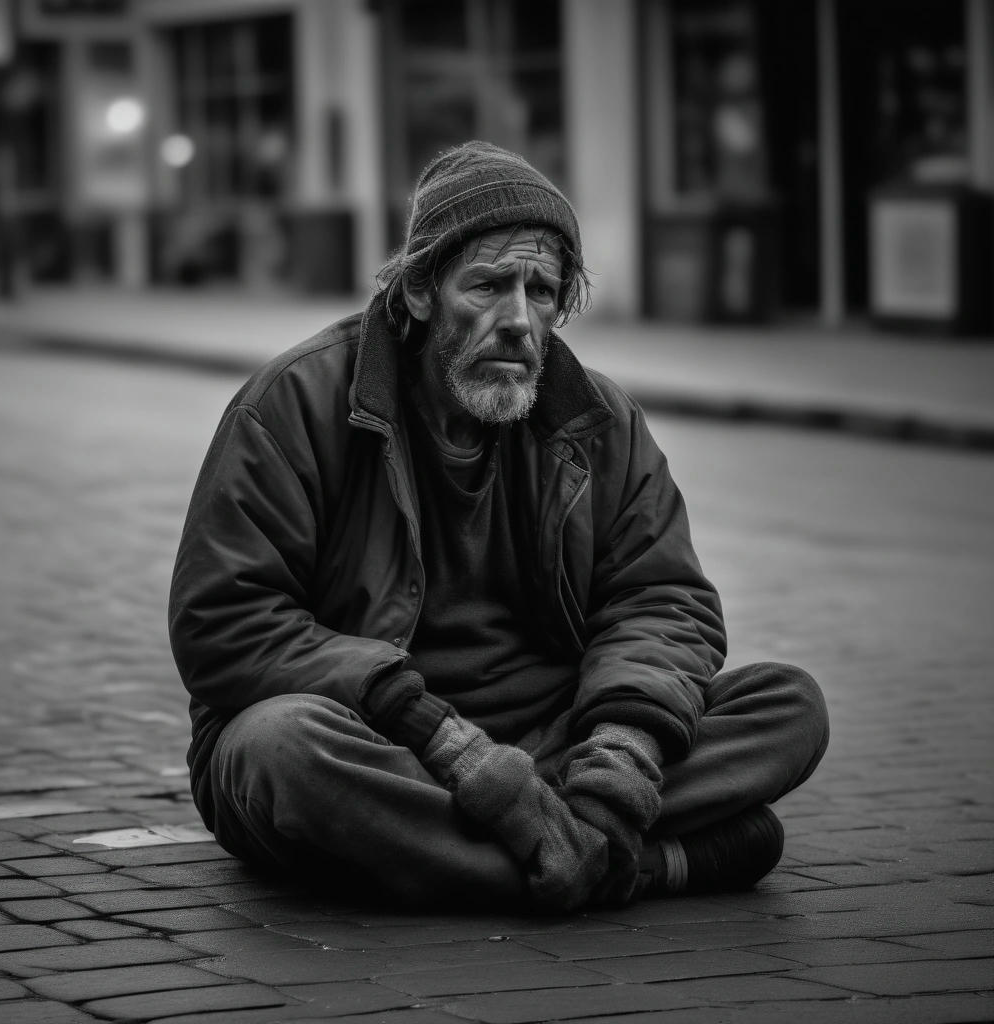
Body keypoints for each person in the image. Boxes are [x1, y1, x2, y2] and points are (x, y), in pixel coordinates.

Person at [169, 141, 828, 912]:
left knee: (790, 704)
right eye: (487, 284)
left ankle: (557, 836)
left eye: (541, 290)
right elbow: (226, 622)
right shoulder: (293, 404)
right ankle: (630, 867)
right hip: (384, 744)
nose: (519, 320)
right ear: (418, 291)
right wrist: (442, 737)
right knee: (278, 750)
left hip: (553, 744)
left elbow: (662, 601)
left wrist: (621, 756)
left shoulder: (598, 421)